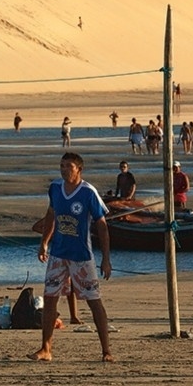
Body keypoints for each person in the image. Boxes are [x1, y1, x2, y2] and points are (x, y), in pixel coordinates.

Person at [29, 153, 113, 362]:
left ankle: (106, 351)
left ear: (79, 169)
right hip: (58, 254)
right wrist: (44, 243)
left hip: (81, 257)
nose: (64, 169)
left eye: (69, 166)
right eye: (62, 165)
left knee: (93, 301)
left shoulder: (88, 192)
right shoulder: (55, 188)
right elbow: (51, 215)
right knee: (50, 299)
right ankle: (45, 349)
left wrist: (106, 259)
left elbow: (102, 226)